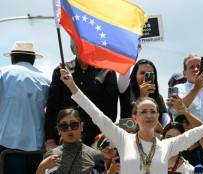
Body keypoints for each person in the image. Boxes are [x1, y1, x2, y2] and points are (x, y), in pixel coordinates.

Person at [59, 66, 203, 174]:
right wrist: (73, 87)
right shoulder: (122, 139)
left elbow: (198, 132)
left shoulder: (167, 145)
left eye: (153, 111)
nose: (149, 116)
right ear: (135, 118)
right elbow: (97, 115)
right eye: (143, 112)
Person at [45, 38, 118, 148]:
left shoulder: (107, 72)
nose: (85, 50)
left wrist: (102, 139)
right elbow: (52, 108)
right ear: (72, 49)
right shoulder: (61, 71)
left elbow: (110, 111)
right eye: (80, 47)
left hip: (95, 140)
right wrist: (50, 140)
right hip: (65, 139)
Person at [0, 41, 50, 174]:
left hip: (7, 144)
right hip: (37, 146)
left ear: (12, 59)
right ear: (33, 60)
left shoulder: (3, 73)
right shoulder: (45, 80)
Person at [36, 108, 104, 174]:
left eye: (74, 125)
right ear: (59, 130)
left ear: (81, 126)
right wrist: (42, 166)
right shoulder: (51, 156)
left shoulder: (95, 155)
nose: (69, 129)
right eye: (64, 126)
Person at [119, 59, 170, 127]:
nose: (145, 77)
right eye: (142, 73)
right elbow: (124, 68)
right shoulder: (126, 91)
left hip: (154, 136)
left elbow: (165, 125)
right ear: (135, 75)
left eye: (150, 74)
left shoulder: (158, 97)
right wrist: (143, 98)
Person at [169, 53, 203, 123]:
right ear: (184, 74)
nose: (196, 69)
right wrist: (196, 88)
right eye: (192, 67)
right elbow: (174, 111)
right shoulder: (176, 89)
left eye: (199, 66)